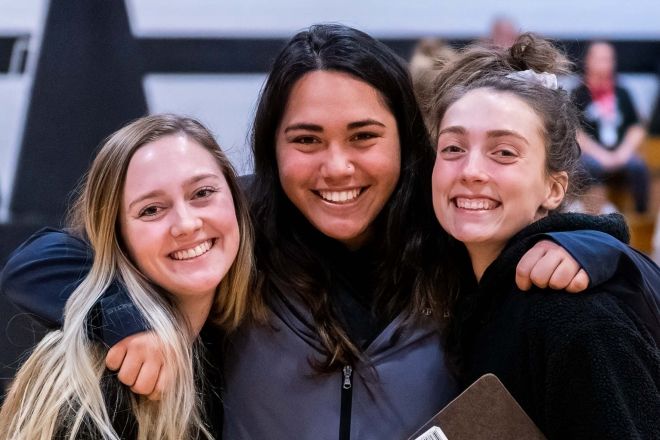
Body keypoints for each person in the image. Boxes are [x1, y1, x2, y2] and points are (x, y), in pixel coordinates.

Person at [0, 25, 638, 440]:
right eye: (306, 140)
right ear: (271, 150)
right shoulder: (240, 233)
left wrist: (595, 244)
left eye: (364, 137)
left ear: (407, 144)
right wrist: (121, 315)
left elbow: (602, 257)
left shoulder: (451, 242)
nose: (337, 166)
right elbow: (39, 259)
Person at [429, 34, 660, 438]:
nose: (470, 170)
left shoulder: (576, 319)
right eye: (452, 148)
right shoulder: (455, 292)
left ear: (553, 189)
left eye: (504, 152)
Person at [0, 114, 255, 439]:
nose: (187, 223)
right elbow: (27, 263)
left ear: (236, 198)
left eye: (202, 192)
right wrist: (126, 320)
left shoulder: (217, 344)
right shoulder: (100, 383)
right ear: (116, 237)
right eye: (151, 210)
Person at [574, 41, 649, 214]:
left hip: (622, 152)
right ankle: (595, 217)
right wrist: (602, 156)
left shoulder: (623, 93)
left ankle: (641, 219)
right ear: (588, 61)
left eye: (608, 59)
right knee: (588, 167)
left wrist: (623, 153)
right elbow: (575, 132)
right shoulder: (578, 94)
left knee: (639, 168)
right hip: (591, 155)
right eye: (600, 58)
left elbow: (636, 128)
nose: (605, 63)